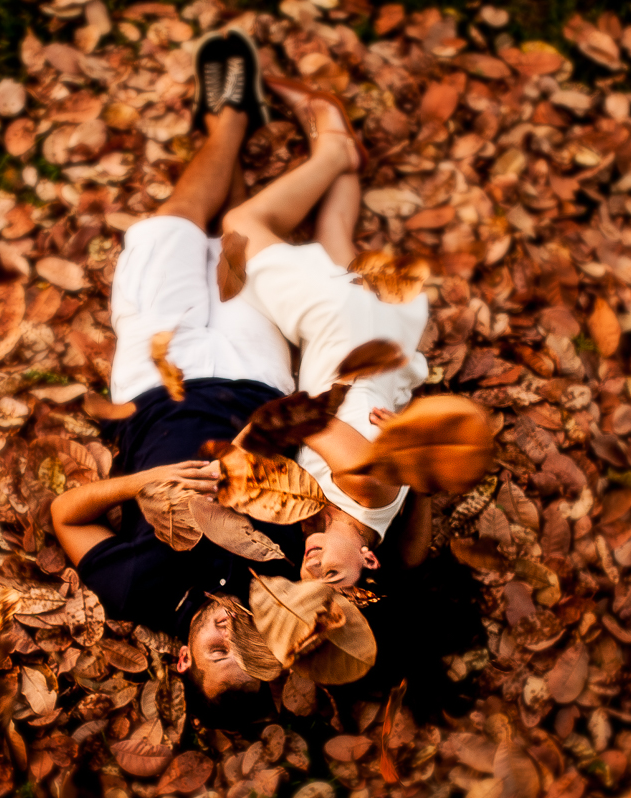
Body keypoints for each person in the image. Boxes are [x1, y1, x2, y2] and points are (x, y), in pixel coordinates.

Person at [51, 31, 372, 707]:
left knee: (170, 231)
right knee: (237, 245)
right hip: (256, 379)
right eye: (247, 648)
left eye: (216, 651)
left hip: (153, 386)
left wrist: (141, 481)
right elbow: (348, 507)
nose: (229, 629)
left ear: (183, 664)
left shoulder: (138, 591)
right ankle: (232, 124)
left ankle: (226, 119)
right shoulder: (286, 580)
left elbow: (65, 516)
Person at [224, 77, 434, 588]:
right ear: (369, 563)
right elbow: (300, 417)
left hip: (383, 350)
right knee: (241, 224)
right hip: (345, 331)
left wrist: (423, 479)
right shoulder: (365, 485)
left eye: (305, 576)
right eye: (332, 576)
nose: (311, 563)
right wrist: (234, 462)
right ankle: (333, 150)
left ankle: (337, 150)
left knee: (332, 238)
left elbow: (414, 558)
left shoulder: (373, 522)